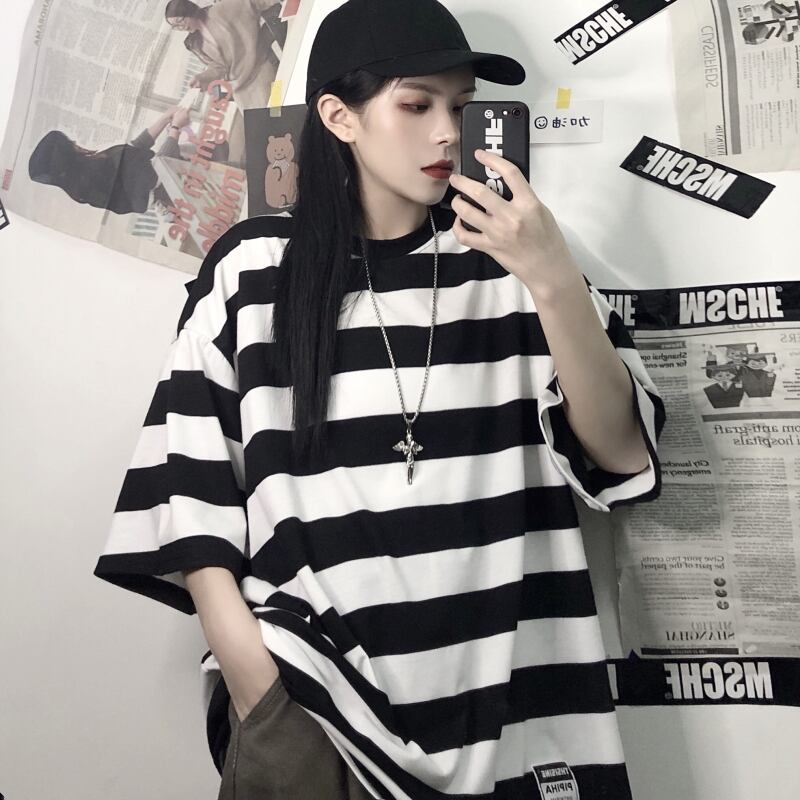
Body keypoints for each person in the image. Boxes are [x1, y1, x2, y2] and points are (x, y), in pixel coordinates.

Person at [93, 1, 666, 798]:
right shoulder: (254, 271)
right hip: (316, 709)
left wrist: (553, 278)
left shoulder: (513, 266)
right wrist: (260, 686)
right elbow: (189, 491)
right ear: (340, 117)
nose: (447, 133)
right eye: (417, 104)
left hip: (517, 713)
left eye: (460, 106)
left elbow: (620, 453)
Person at [27, 107, 221, 215]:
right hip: (185, 187)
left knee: (211, 147)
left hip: (177, 178)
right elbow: (162, 167)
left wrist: (164, 119)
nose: (76, 143)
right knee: (215, 150)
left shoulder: (93, 172)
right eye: (72, 145)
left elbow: (133, 148)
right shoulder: (98, 175)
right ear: (70, 158)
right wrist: (175, 128)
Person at [165, 0, 284, 110]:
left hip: (260, 70)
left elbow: (252, 3)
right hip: (239, 88)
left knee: (278, 112)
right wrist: (202, 77)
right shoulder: (195, 42)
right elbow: (219, 66)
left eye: (180, 21)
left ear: (189, 10)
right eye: (175, 26)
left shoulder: (220, 10)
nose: (181, 27)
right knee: (262, 124)